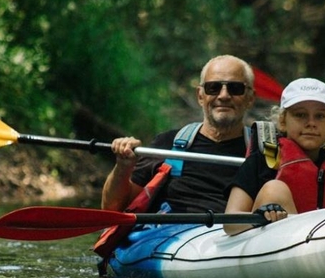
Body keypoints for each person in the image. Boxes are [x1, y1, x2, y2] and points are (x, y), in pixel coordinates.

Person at [96, 55, 255, 257]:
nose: (223, 95)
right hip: (170, 240)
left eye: (235, 88)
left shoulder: (263, 151)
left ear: (250, 98)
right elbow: (112, 208)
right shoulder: (167, 144)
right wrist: (122, 166)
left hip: (236, 241)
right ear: (200, 96)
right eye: (213, 88)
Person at [223, 78, 325, 235]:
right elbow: (229, 223)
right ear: (283, 121)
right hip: (275, 247)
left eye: (320, 116)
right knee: (275, 190)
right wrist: (262, 215)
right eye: (300, 115)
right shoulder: (261, 161)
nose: (311, 123)